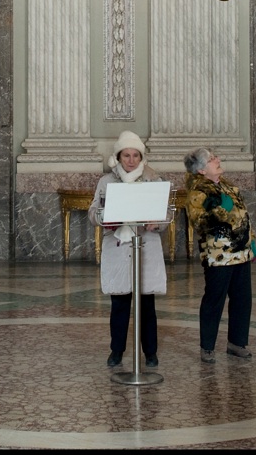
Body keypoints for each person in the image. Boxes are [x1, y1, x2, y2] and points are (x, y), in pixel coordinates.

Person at [88, 130, 168, 369]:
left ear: (141, 157)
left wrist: (157, 222)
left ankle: (150, 352)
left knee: (146, 303)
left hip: (145, 245)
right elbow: (93, 212)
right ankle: (117, 350)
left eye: (135, 155)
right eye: (126, 155)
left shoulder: (153, 179)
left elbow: (165, 214)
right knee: (120, 302)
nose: (131, 160)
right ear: (118, 157)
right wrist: (105, 218)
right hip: (119, 245)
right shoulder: (106, 182)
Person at [184, 147, 256, 363]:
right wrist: (221, 210)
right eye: (211, 159)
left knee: (242, 299)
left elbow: (243, 216)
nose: (217, 160)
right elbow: (200, 223)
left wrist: (251, 243)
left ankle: (237, 342)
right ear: (201, 170)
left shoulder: (227, 186)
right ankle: (207, 347)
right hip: (219, 256)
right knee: (214, 300)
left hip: (240, 251)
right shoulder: (198, 192)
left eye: (215, 156)